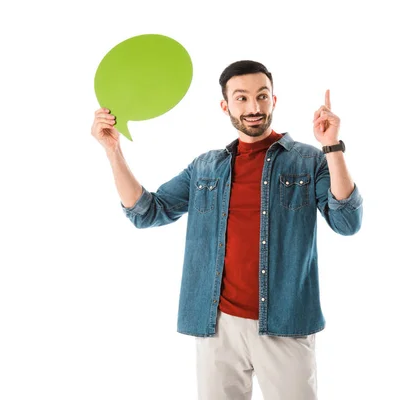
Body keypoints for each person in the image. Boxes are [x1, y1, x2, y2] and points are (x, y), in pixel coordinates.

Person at [91, 60, 363, 400]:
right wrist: (113, 150)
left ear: (274, 101)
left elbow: (347, 221)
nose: (254, 107)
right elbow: (147, 212)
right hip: (217, 324)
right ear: (226, 106)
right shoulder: (205, 167)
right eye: (242, 98)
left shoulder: (308, 161)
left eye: (262, 96)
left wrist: (331, 146)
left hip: (286, 321)